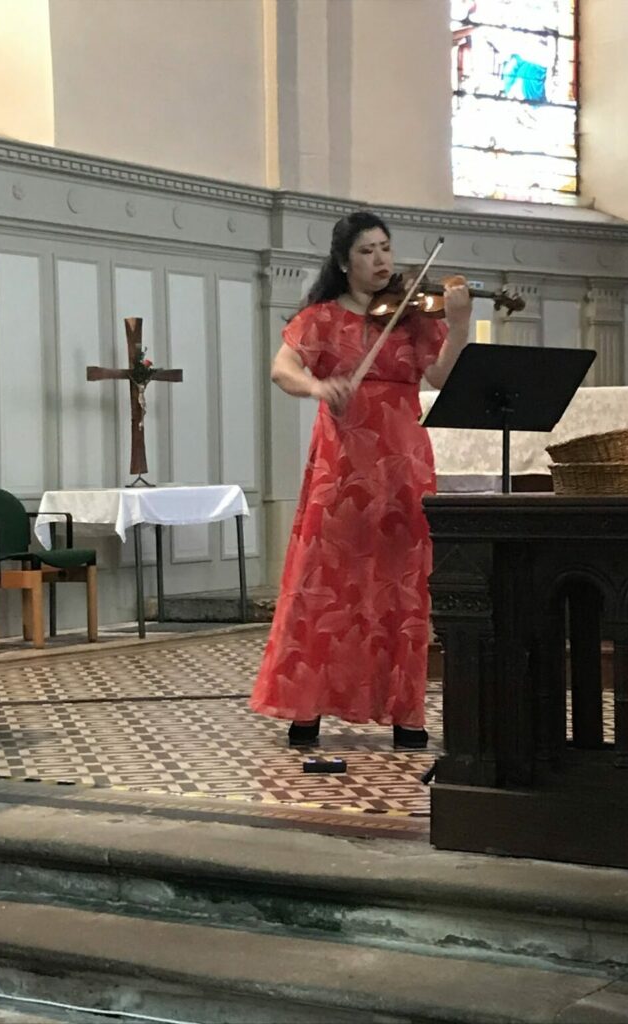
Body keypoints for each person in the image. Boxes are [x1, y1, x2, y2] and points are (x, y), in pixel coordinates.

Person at [250, 210, 471, 748]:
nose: (382, 261)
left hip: (403, 462)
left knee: (403, 583)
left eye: (386, 249)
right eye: (369, 251)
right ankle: (308, 709)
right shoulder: (321, 318)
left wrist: (460, 325)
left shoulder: (414, 316)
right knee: (324, 582)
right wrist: (318, 389)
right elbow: (283, 369)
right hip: (342, 465)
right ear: (345, 261)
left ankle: (406, 714)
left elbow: (440, 376)